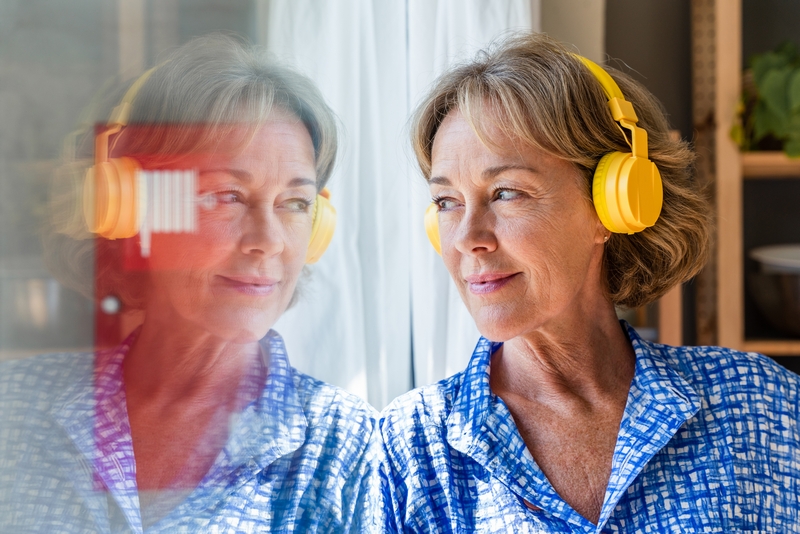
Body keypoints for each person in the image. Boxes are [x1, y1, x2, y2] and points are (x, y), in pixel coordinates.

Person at [380, 32, 800, 533]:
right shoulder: (409, 448)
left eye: (507, 193)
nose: (468, 237)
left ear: (614, 204)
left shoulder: (761, 406)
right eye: (447, 202)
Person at [0, 35, 379, 533]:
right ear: (130, 212)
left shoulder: (356, 452)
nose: (267, 242)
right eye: (225, 196)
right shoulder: (14, 408)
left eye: (294, 204)